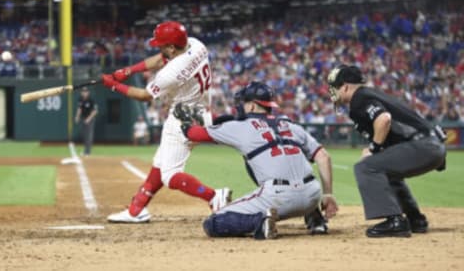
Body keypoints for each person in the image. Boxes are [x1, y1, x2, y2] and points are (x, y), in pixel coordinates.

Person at [101, 21, 231, 223]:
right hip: (201, 112)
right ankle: (137, 210)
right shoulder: (196, 44)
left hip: (182, 120)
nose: (159, 48)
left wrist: (114, 86)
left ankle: (214, 196)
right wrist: (128, 71)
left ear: (172, 47)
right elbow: (162, 58)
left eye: (162, 45)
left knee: (170, 175)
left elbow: (145, 95)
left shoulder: (169, 74)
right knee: (160, 163)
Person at [173, 82, 338, 239]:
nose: (240, 106)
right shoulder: (290, 125)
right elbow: (323, 156)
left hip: (279, 198)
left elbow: (194, 134)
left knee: (213, 223)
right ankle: (316, 220)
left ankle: (260, 222)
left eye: (243, 102)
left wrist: (185, 122)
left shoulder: (239, 126)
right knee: (290, 166)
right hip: (312, 195)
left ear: (252, 106)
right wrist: (328, 194)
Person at [327, 64, 447, 238]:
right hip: (432, 144)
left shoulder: (359, 98)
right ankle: (415, 219)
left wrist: (373, 148)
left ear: (345, 86)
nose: (333, 91)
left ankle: (395, 221)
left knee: (365, 167)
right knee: (385, 170)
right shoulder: (372, 94)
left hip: (423, 146)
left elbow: (384, 119)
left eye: (335, 87)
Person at [74, 87, 98, 156]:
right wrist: (77, 117)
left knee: (89, 135)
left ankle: (88, 152)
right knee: (84, 135)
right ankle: (85, 151)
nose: (84, 93)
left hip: (90, 119)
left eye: (86, 91)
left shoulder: (91, 100)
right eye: (83, 91)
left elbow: (95, 111)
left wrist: (88, 119)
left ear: (88, 92)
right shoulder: (80, 99)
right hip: (83, 118)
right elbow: (79, 109)